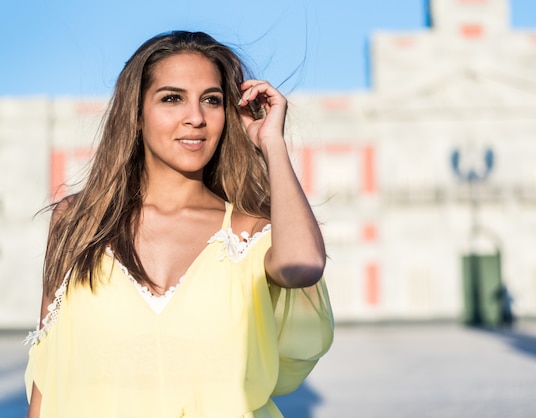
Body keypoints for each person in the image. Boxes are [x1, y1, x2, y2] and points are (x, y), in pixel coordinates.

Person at [24, 31, 333, 418]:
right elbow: (49, 371)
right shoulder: (78, 221)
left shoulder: (249, 231)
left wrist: (272, 143)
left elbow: (303, 265)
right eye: (172, 98)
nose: (196, 118)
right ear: (135, 114)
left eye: (212, 100)